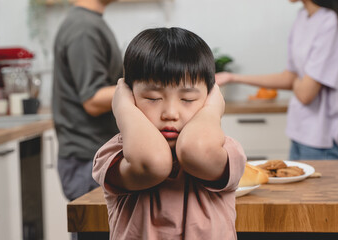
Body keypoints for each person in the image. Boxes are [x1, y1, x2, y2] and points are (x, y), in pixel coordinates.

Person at [92, 27, 246, 239]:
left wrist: (212, 110)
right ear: (129, 95)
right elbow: (153, 162)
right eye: (153, 98)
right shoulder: (116, 153)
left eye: (188, 99)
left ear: (210, 97)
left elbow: (196, 150)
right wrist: (123, 109)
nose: (170, 114)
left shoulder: (224, 150)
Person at [216, 0, 338, 160]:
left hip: (325, 139)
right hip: (301, 133)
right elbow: (290, 76)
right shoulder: (302, 17)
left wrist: (300, 81)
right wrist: (232, 77)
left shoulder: (331, 23)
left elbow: (306, 94)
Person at [52, 0, 122, 202]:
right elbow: (93, 99)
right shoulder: (84, 28)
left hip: (92, 156)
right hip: (87, 161)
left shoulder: (89, 22)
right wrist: (149, 85)